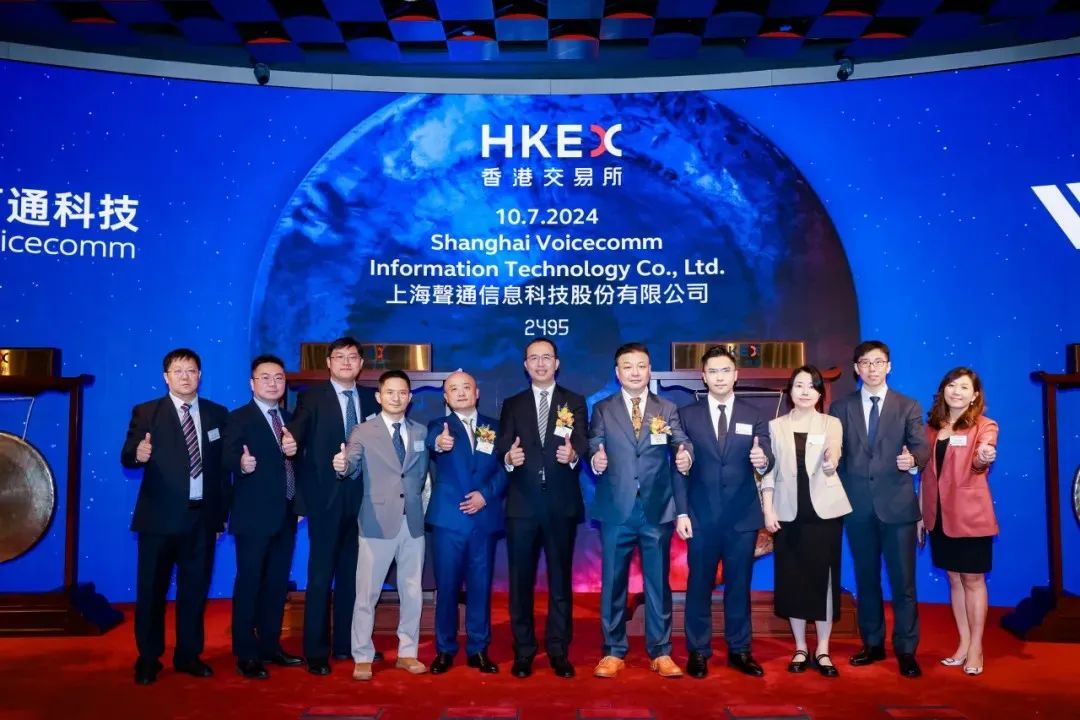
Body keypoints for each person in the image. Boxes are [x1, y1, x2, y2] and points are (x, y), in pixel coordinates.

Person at [120, 348, 228, 685]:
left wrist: (220, 517)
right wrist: (137, 454)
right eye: (178, 371)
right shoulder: (147, 412)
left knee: (195, 592)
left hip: (201, 520)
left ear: (200, 375)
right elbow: (128, 454)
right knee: (151, 592)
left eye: (191, 370)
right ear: (166, 377)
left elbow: (221, 471)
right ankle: (148, 658)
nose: (185, 376)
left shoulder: (216, 413)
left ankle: (188, 656)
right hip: (159, 520)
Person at [589, 342, 693, 680]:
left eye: (641, 366)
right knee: (613, 582)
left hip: (656, 507)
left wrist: (686, 455)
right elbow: (594, 442)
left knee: (658, 583)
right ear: (617, 372)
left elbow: (681, 441)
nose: (635, 372)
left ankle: (661, 652)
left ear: (649, 370)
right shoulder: (603, 408)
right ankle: (612, 651)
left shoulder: (667, 407)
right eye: (628, 366)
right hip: (617, 507)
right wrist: (596, 458)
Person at [829, 340, 930, 678]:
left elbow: (921, 448)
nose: (872, 368)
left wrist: (912, 460)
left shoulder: (908, 405)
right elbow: (835, 452)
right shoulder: (841, 408)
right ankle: (872, 644)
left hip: (898, 508)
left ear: (889, 366)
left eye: (878, 362)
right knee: (866, 578)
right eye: (865, 363)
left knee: (904, 583)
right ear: (856, 369)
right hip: (857, 507)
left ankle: (906, 649)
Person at [674, 345, 774, 679]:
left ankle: (740, 650)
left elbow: (767, 455)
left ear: (736, 375)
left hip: (742, 517)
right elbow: (679, 467)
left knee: (739, 586)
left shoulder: (754, 414)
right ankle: (698, 651)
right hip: (700, 517)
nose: (719, 377)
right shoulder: (687, 415)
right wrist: (682, 513)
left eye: (725, 371)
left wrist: (763, 459)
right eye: (713, 371)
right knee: (699, 585)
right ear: (703, 376)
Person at [495, 337, 587, 679]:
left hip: (560, 504)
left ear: (557, 363)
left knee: (560, 582)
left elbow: (582, 439)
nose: (540, 363)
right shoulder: (513, 404)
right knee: (520, 583)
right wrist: (509, 457)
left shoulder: (574, 401)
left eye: (546, 357)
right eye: (533, 358)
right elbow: (503, 446)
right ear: (525, 365)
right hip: (523, 506)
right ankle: (524, 651)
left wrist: (573, 455)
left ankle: (559, 651)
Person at [286, 337, 378, 675]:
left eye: (353, 357)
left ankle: (346, 644)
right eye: (339, 357)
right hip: (325, 500)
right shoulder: (311, 398)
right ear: (328, 362)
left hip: (363, 500)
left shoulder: (370, 398)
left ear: (361, 364)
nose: (346, 362)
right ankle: (316, 651)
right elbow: (295, 434)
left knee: (353, 577)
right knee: (320, 577)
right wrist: (289, 441)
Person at [333, 370, 430, 681]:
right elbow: (352, 464)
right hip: (376, 522)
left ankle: (407, 653)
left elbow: (420, 475)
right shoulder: (363, 431)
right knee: (367, 593)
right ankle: (362, 655)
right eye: (390, 392)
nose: (396, 398)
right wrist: (342, 465)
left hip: (412, 522)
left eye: (402, 392)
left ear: (410, 397)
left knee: (412, 591)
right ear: (378, 396)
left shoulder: (420, 431)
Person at [760, 365, 852, 678]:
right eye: (799, 385)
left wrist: (830, 463)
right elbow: (767, 472)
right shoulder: (775, 426)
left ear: (819, 392)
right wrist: (768, 509)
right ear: (790, 391)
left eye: (811, 386)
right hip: (788, 513)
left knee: (824, 579)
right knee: (793, 579)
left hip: (823, 512)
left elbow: (834, 454)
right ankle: (800, 647)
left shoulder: (831, 423)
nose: (805, 391)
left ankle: (823, 649)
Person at [222, 354, 303, 680]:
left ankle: (271, 645)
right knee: (250, 583)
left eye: (279, 377)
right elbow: (227, 456)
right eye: (265, 377)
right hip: (253, 515)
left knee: (277, 583)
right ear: (252, 383)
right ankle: (246, 652)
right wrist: (241, 465)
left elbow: (299, 464)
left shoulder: (291, 419)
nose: (273, 383)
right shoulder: (237, 418)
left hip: (287, 514)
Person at [426, 371, 507, 675]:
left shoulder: (494, 427)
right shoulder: (439, 426)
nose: (460, 393)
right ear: (446, 397)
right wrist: (440, 442)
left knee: (480, 587)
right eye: (453, 389)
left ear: (477, 393)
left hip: (483, 519)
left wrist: (486, 495)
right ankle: (445, 649)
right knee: (447, 587)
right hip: (449, 521)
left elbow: (506, 466)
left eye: (466, 387)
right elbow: (434, 442)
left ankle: (478, 649)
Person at [920, 367, 998, 677]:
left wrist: (984, 455)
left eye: (964, 387)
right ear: (943, 390)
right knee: (954, 579)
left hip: (970, 517)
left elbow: (981, 458)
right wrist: (921, 515)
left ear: (975, 395)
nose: (956, 392)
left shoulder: (984, 426)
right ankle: (963, 644)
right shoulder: (931, 428)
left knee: (973, 580)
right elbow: (926, 476)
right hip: (938, 516)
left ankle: (977, 647)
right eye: (951, 385)